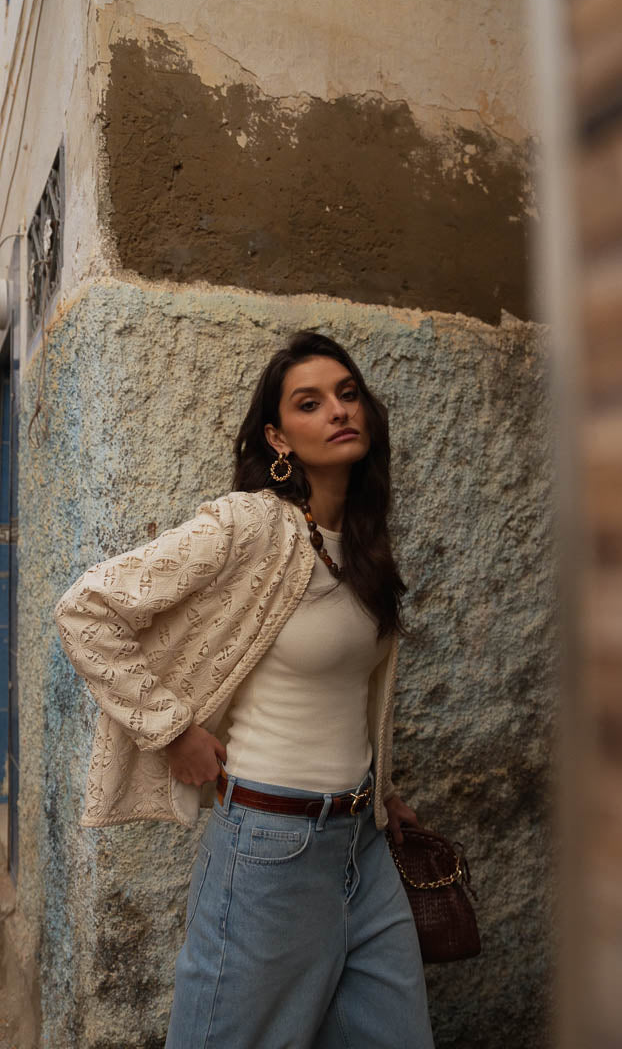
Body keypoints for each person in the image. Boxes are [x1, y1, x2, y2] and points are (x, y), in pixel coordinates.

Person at [54, 331, 435, 1048]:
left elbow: (345, 694)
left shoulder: (364, 545)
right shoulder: (251, 525)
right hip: (271, 848)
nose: (337, 410)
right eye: (309, 403)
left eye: (347, 394)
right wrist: (170, 731)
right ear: (277, 437)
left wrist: (381, 791)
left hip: (363, 843)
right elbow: (86, 609)